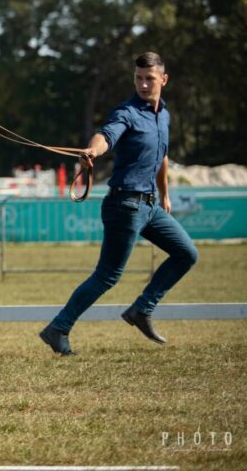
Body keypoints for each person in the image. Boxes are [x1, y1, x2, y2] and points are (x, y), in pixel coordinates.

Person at [40, 52, 199, 355]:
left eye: (149, 78)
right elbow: (107, 135)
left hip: (150, 205)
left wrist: (164, 195)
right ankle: (58, 328)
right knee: (108, 275)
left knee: (186, 253)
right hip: (124, 205)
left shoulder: (163, 114)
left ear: (163, 80)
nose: (142, 84)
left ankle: (142, 309)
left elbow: (162, 156)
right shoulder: (126, 112)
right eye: (138, 78)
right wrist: (93, 150)